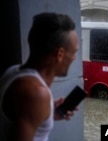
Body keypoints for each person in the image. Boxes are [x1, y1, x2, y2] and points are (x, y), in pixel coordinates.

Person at [0, 12, 79, 141]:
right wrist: (38, 103)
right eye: (74, 52)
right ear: (60, 54)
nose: (75, 58)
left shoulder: (13, 71)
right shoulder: (35, 93)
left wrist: (46, 114)